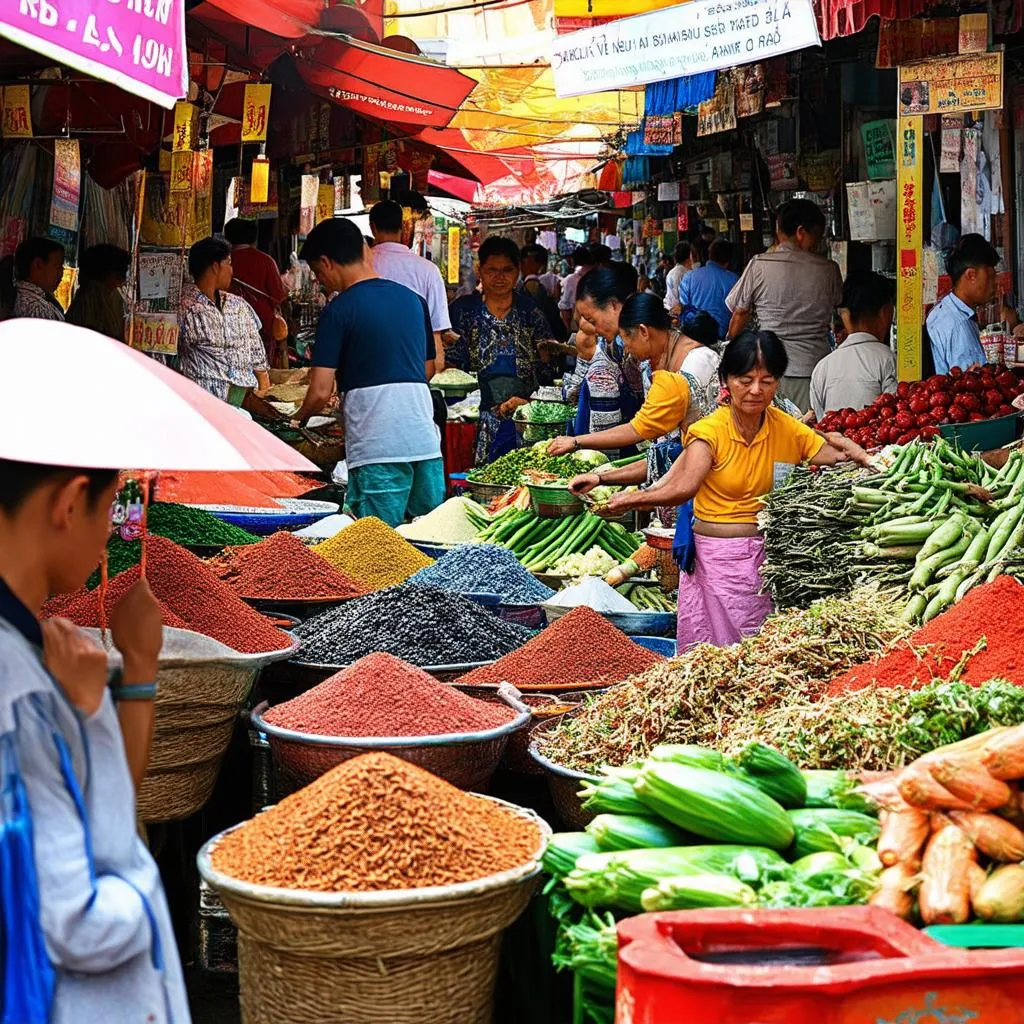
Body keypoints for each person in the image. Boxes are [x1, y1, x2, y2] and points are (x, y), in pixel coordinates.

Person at [0, 458, 189, 1021]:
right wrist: (147, 895)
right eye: (109, 509)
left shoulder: (32, 645)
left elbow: (97, 811)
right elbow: (78, 923)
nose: (111, 531)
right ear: (68, 502)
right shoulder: (19, 693)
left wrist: (136, 673)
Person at [597, 331, 868, 649]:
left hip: (762, 563)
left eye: (767, 381)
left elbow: (833, 454)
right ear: (726, 380)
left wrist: (853, 449)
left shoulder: (786, 427)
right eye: (745, 379)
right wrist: (631, 498)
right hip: (714, 564)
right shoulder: (708, 432)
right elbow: (684, 486)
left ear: (778, 383)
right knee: (712, 661)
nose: (756, 390)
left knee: (754, 657)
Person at [295, 218, 444, 525]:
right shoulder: (415, 301)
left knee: (378, 546)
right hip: (425, 442)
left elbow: (321, 390)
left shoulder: (338, 310)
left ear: (326, 262)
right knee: (428, 536)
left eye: (318, 273)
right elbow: (429, 368)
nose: (321, 281)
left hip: (378, 446)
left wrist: (298, 420)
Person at [726, 198, 843, 411]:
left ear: (780, 228)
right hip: (814, 368)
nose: (818, 244)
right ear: (801, 232)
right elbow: (839, 307)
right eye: (816, 236)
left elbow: (739, 313)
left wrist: (730, 350)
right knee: (808, 435)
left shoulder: (759, 265)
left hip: (767, 369)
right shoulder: (829, 269)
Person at [447, 236, 554, 464]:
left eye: (506, 270)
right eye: (491, 270)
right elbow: (452, 365)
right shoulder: (463, 310)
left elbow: (548, 365)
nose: (499, 277)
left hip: (523, 416)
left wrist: (530, 402)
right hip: (471, 417)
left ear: (517, 272)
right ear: (480, 271)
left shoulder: (531, 311)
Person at [559, 262, 644, 459]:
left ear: (614, 306)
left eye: (592, 319)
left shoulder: (639, 346)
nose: (592, 329)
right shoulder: (610, 346)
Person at [177, 235, 270, 404]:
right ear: (215, 266)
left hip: (246, 402)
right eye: (229, 263)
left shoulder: (238, 305)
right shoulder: (185, 309)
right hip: (205, 404)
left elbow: (259, 360)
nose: (232, 270)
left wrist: (264, 394)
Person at [369, 200, 451, 364]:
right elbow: (436, 333)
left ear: (372, 227)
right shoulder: (428, 270)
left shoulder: (362, 265)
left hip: (370, 364)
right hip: (417, 366)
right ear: (403, 227)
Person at [810, 271, 897, 420]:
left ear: (846, 316)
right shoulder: (889, 360)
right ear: (885, 312)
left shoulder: (822, 367)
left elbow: (821, 420)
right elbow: (895, 414)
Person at [927, 233, 998, 374]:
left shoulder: (946, 311)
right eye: (990, 277)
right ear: (971, 275)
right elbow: (973, 386)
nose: (995, 284)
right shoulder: (959, 325)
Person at [223, 218, 288, 365]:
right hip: (263, 325)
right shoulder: (266, 261)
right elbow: (278, 296)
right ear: (254, 238)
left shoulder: (224, 262)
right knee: (262, 368)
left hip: (229, 325)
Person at [65, 244, 129, 342]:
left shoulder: (110, 296)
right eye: (119, 276)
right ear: (110, 274)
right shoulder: (93, 295)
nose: (122, 282)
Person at [678, 238, 738, 339]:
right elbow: (739, 311)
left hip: (694, 337)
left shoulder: (690, 277)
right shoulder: (734, 280)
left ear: (709, 255)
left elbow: (683, 307)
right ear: (728, 260)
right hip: (723, 338)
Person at [11, 237, 65, 322]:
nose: (62, 272)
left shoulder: (19, 296)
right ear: (38, 264)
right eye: (58, 266)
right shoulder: (37, 308)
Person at [559, 246, 595, 332]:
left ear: (572, 261)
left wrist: (568, 329)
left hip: (579, 328)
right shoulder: (600, 276)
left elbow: (565, 308)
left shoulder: (571, 279)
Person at [664, 240, 696, 316]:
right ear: (689, 256)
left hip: (671, 311)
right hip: (683, 314)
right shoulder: (688, 273)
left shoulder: (671, 272)